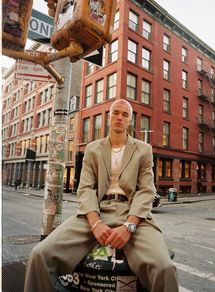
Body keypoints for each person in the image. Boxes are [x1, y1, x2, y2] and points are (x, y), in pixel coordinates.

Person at [24, 99, 179, 292]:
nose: (119, 118)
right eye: (116, 113)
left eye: (124, 114)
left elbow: (146, 191)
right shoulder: (93, 148)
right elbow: (86, 188)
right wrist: (95, 223)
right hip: (97, 210)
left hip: (132, 214)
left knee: (164, 268)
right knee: (40, 255)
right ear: (109, 117)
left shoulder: (143, 150)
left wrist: (129, 226)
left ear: (130, 120)